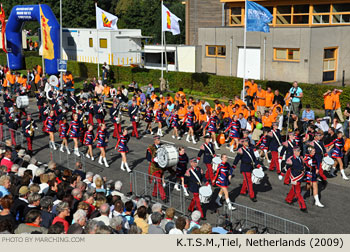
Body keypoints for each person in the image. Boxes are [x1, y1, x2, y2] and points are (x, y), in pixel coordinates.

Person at [233, 138, 261, 202]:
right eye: (245, 141)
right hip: (244, 167)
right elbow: (237, 158)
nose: (247, 142)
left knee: (246, 180)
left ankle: (242, 191)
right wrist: (234, 165)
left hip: (250, 166)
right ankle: (252, 196)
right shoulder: (241, 150)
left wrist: (258, 165)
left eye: (247, 141)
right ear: (243, 143)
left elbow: (254, 158)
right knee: (249, 182)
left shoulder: (250, 149)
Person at [284, 147, 307, 213]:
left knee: (293, 190)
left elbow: (303, 165)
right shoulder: (291, 159)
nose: (299, 152)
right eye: (298, 151)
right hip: (295, 177)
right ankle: (303, 206)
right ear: (294, 151)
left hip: (300, 176)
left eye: (299, 151)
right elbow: (287, 167)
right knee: (298, 192)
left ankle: (288, 199)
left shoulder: (300, 158)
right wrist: (282, 173)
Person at [146, 136, 167, 202]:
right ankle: (163, 197)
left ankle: (154, 193)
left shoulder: (162, 146)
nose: (159, 141)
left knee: (157, 181)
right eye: (157, 140)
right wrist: (153, 160)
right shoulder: (150, 148)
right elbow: (148, 158)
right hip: (154, 168)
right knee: (159, 182)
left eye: (159, 139)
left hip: (161, 166)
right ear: (154, 141)